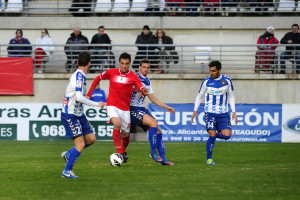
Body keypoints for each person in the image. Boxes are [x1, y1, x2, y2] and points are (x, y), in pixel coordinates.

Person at [86, 52, 147, 163]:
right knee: (117, 124)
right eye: (122, 63)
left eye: (126, 64)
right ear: (119, 62)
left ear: (130, 64)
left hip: (125, 109)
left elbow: (140, 86)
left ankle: (123, 151)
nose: (124, 66)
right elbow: (97, 79)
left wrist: (143, 90)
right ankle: (119, 153)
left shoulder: (133, 76)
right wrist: (89, 94)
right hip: (112, 105)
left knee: (126, 134)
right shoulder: (111, 72)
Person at [60, 51, 105, 178]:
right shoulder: (79, 76)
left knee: (90, 139)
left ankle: (69, 154)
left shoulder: (80, 75)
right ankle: (66, 171)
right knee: (80, 144)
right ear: (89, 63)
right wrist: (97, 104)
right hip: (70, 114)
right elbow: (79, 97)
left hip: (79, 114)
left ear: (78, 62)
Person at [191, 60, 238, 165]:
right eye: (210, 71)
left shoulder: (227, 81)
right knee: (212, 134)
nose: (211, 73)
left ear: (219, 70)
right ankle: (209, 159)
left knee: (227, 136)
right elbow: (199, 96)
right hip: (210, 113)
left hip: (223, 114)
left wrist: (234, 111)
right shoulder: (206, 82)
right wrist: (195, 111)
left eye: (213, 71)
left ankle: (212, 137)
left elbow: (231, 96)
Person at [130, 58, 175, 165]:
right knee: (154, 123)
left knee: (158, 130)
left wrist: (165, 107)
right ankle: (153, 153)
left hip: (141, 109)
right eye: (144, 67)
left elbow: (153, 99)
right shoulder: (133, 77)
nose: (146, 69)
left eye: (148, 67)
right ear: (139, 67)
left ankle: (163, 160)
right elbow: (125, 88)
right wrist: (137, 89)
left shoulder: (147, 81)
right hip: (132, 108)